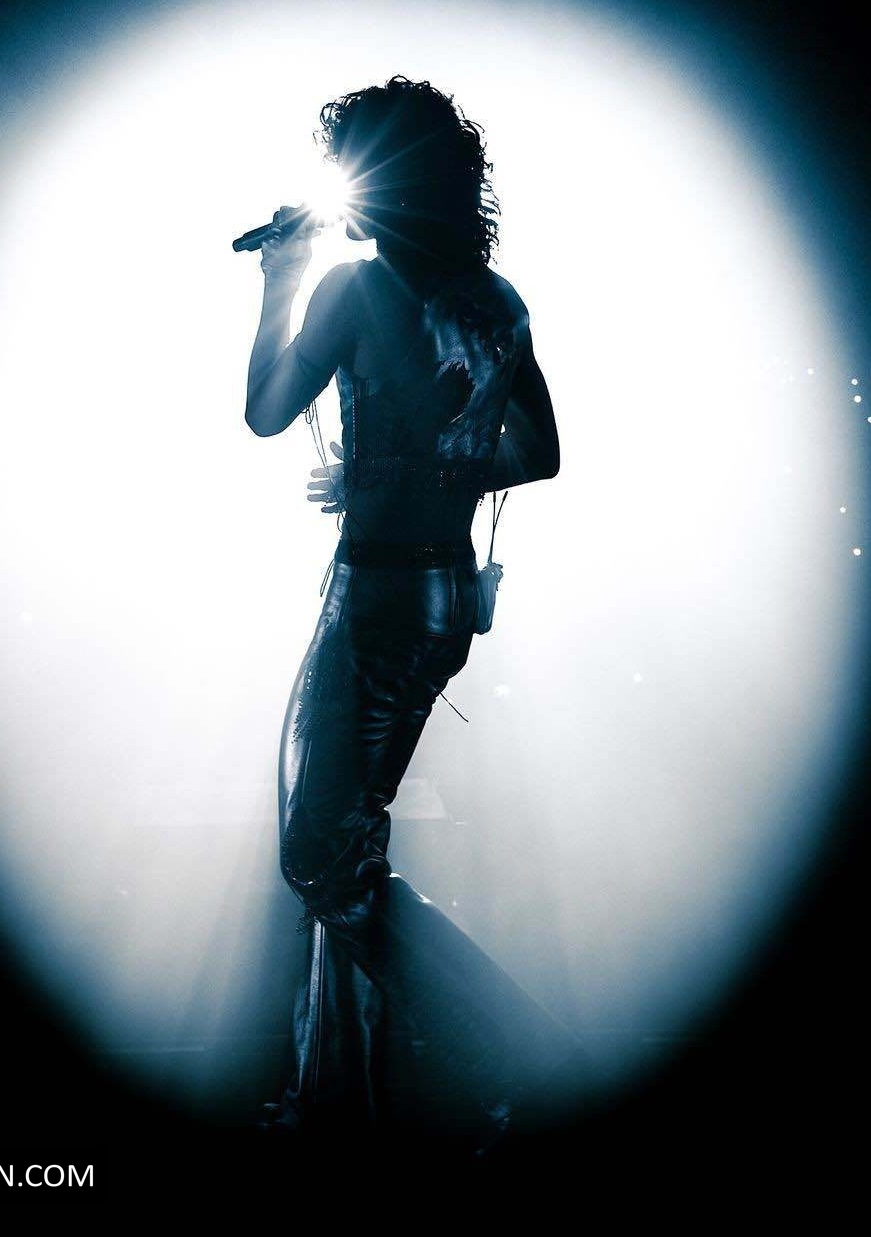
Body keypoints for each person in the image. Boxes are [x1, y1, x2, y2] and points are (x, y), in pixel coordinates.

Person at [244, 76, 564, 1139]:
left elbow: (265, 411)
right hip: (440, 595)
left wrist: (282, 278)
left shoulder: (351, 288)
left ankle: (507, 1050)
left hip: (377, 591)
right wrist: (420, 468)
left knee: (319, 862)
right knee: (350, 849)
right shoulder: (498, 299)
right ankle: (352, 1103)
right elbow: (539, 454)